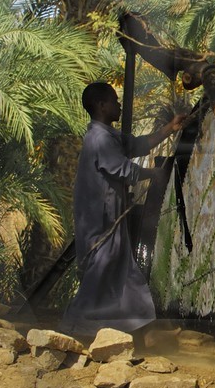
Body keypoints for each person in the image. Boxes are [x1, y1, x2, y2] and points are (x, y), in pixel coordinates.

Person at [61, 82, 188, 337]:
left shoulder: (108, 135)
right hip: (101, 223)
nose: (119, 105)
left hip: (110, 222)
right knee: (100, 274)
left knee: (125, 276)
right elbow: (124, 169)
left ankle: (137, 333)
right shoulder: (98, 139)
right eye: (115, 101)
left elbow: (138, 146)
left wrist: (170, 128)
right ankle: (72, 329)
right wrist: (155, 174)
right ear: (101, 105)